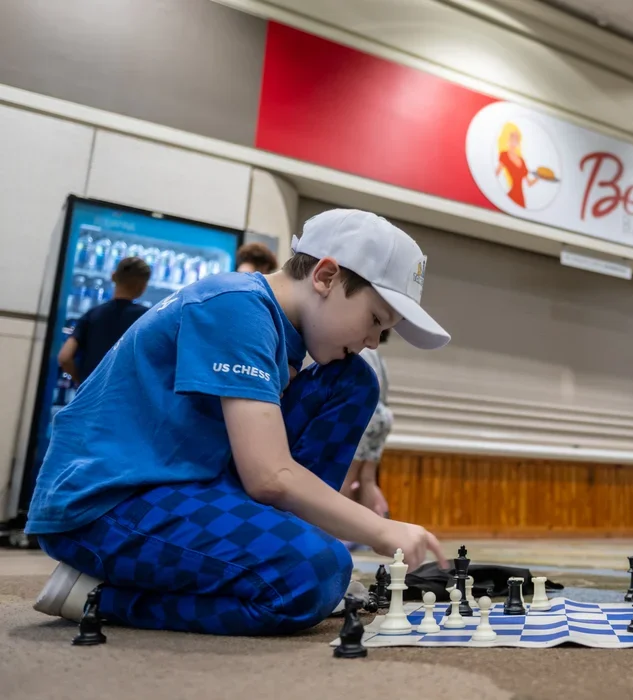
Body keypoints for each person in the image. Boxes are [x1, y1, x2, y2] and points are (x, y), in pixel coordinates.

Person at [27, 209, 450, 635]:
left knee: (354, 382)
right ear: (325, 276)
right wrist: (379, 529)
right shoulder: (237, 306)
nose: (374, 341)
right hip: (103, 506)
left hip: (182, 483)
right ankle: (98, 596)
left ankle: (278, 545)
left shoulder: (278, 329)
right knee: (313, 574)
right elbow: (268, 475)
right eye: (375, 320)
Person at [57, 257, 151, 385]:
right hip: (128, 397)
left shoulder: (92, 315)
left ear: (113, 276)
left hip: (91, 397)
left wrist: (83, 382)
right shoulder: (147, 318)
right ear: (143, 286)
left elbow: (64, 357)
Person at [341, 328, 394, 529]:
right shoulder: (380, 358)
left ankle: (341, 529)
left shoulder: (360, 352)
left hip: (368, 412)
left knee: (347, 476)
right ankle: (376, 527)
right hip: (384, 415)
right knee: (367, 478)